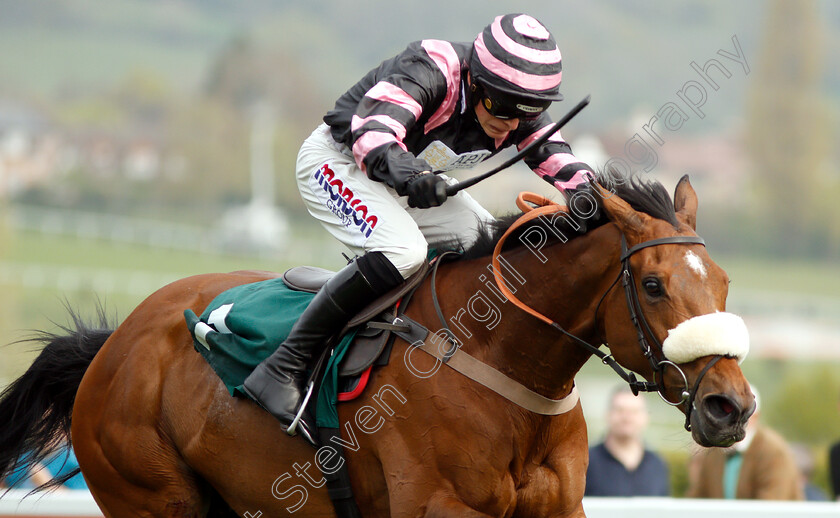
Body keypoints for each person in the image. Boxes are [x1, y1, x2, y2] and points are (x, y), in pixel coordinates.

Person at [241, 13, 596, 435]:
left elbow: (558, 157)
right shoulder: (431, 68)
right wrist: (412, 178)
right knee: (403, 252)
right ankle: (283, 367)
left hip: (408, 179)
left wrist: (600, 199)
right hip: (340, 163)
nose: (510, 123)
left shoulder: (514, 101)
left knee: (494, 254)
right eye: (499, 106)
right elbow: (372, 134)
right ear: (477, 81)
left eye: (528, 112)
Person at [686, 385, 803, 500]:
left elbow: (771, 508)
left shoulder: (774, 452)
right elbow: (698, 498)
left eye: (740, 414)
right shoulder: (715, 450)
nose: (730, 421)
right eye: (725, 413)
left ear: (755, 417)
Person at [584, 385, 670, 497]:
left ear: (646, 417)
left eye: (634, 411)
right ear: (607, 414)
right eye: (620, 410)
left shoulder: (657, 464)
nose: (626, 418)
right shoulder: (586, 462)